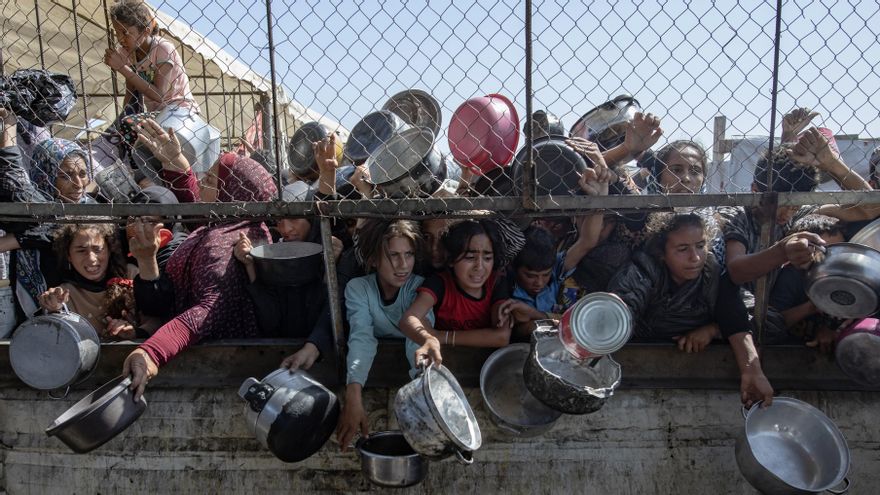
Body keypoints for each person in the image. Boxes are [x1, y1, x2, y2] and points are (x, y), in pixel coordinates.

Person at [121, 144, 292, 400]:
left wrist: (152, 352)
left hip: (216, 368)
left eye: (211, 179)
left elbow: (207, 311)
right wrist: (177, 168)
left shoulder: (229, 241)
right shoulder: (227, 226)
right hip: (197, 354)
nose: (202, 181)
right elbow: (198, 211)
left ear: (230, 192)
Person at [608, 212, 774, 407]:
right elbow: (617, 317)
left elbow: (764, 319)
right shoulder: (642, 272)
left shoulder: (712, 274)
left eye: (701, 246)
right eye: (682, 249)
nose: (695, 257)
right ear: (662, 253)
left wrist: (714, 330)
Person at [335, 219, 430, 451]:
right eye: (393, 255)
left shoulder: (418, 288)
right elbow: (362, 337)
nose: (403, 264)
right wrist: (354, 393)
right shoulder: (358, 289)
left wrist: (423, 390)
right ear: (373, 260)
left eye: (409, 254)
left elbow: (416, 339)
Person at [0, 107, 93, 323]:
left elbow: (60, 229)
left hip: (82, 312)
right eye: (66, 176)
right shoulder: (33, 210)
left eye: (82, 174)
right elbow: (14, 181)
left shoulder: (93, 210)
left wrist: (15, 241)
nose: (78, 184)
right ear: (46, 175)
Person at [401, 219, 533, 365]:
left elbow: (501, 336)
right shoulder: (439, 283)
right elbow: (409, 318)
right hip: (446, 363)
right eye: (470, 257)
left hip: (484, 366)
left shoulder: (496, 283)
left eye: (487, 258)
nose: (480, 267)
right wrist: (428, 339)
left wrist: (441, 336)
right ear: (450, 260)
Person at [509, 160, 611, 319]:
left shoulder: (556, 268)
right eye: (530, 276)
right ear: (515, 268)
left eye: (545, 275)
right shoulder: (507, 285)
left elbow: (588, 241)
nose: (539, 283)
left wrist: (598, 201)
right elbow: (523, 326)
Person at [37, 223, 141, 339]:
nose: (91, 258)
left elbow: (154, 320)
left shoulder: (132, 275)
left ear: (109, 250)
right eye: (81, 251)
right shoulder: (64, 294)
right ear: (68, 256)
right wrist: (53, 308)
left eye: (98, 249)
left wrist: (134, 330)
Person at [766, 214, 848, 352]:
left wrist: (832, 330)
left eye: (840, 250)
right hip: (788, 353)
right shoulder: (792, 276)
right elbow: (772, 324)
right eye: (827, 251)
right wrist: (814, 305)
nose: (834, 258)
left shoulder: (850, 276)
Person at [104, 0, 198, 115]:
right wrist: (124, 120)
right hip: (155, 114)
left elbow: (160, 95)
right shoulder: (126, 53)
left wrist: (122, 67)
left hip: (180, 109)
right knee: (124, 130)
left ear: (145, 31)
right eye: (117, 32)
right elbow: (131, 93)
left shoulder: (163, 48)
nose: (120, 38)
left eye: (125, 33)